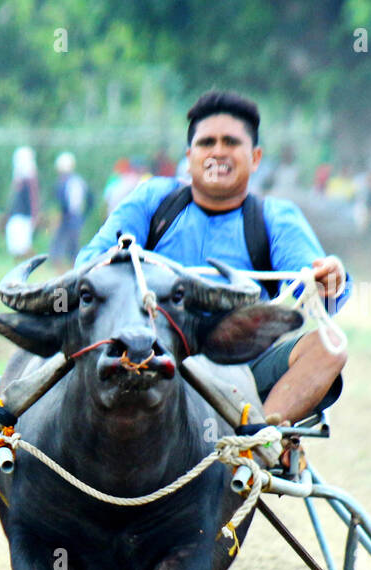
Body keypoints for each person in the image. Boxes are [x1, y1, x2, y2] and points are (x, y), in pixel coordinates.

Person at [78, 90, 350, 431]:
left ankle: (257, 438)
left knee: (331, 345)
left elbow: (315, 283)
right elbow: (89, 263)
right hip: (150, 354)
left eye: (231, 142)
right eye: (207, 143)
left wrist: (329, 279)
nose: (218, 151)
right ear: (190, 156)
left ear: (255, 157)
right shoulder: (154, 199)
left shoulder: (276, 217)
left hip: (241, 365)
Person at [49, 152, 88, 267]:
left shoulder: (66, 182)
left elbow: (65, 203)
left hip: (69, 216)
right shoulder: (77, 181)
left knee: (63, 243)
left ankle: (67, 267)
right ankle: (69, 266)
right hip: (75, 216)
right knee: (70, 244)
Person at [3, 146, 40, 258]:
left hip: (24, 217)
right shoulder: (19, 178)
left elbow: (34, 199)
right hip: (17, 216)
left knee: (23, 246)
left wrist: (35, 215)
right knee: (16, 247)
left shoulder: (30, 179)